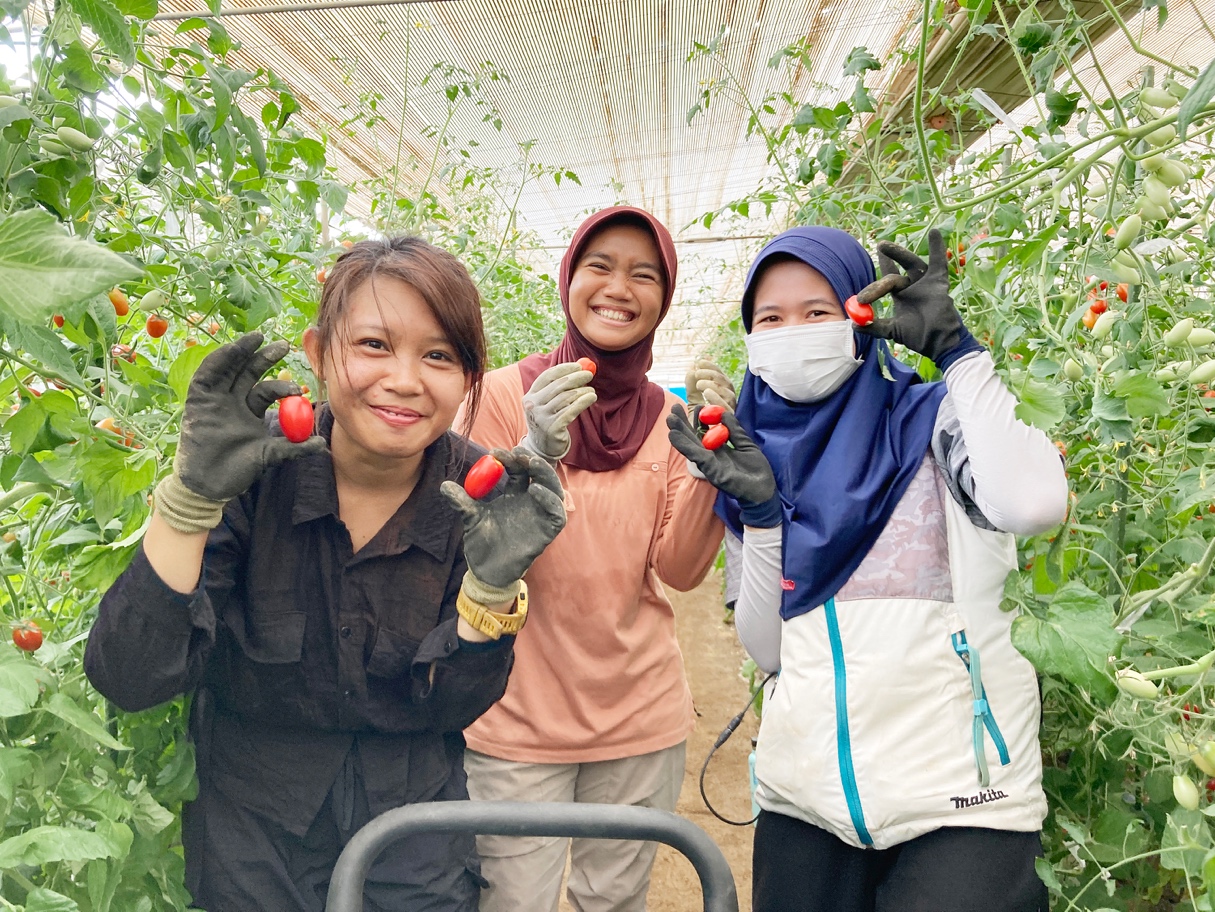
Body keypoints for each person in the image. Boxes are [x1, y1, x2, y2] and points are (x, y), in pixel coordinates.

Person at [84, 237, 568, 912]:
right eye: (373, 345)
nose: (405, 379)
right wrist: (191, 500)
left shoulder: (479, 495)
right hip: (254, 840)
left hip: (412, 844)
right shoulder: (254, 472)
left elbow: (453, 706)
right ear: (317, 353)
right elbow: (130, 677)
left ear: (466, 377)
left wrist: (490, 592)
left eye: (438, 355)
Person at [668, 226, 1067, 912]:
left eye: (816, 311)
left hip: (963, 803)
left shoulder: (931, 422)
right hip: (804, 803)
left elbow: (1032, 505)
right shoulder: (750, 455)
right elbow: (769, 652)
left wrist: (958, 353)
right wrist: (761, 518)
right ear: (751, 339)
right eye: (770, 319)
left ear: (860, 320)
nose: (793, 332)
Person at [458, 206, 728, 912]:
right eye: (599, 266)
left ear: (663, 298)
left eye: (644, 275)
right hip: (513, 715)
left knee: (612, 902)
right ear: (568, 279)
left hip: (638, 717)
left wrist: (713, 466)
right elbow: (468, 544)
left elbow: (680, 571)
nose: (618, 288)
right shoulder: (502, 396)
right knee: (511, 902)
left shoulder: (670, 421)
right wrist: (531, 450)